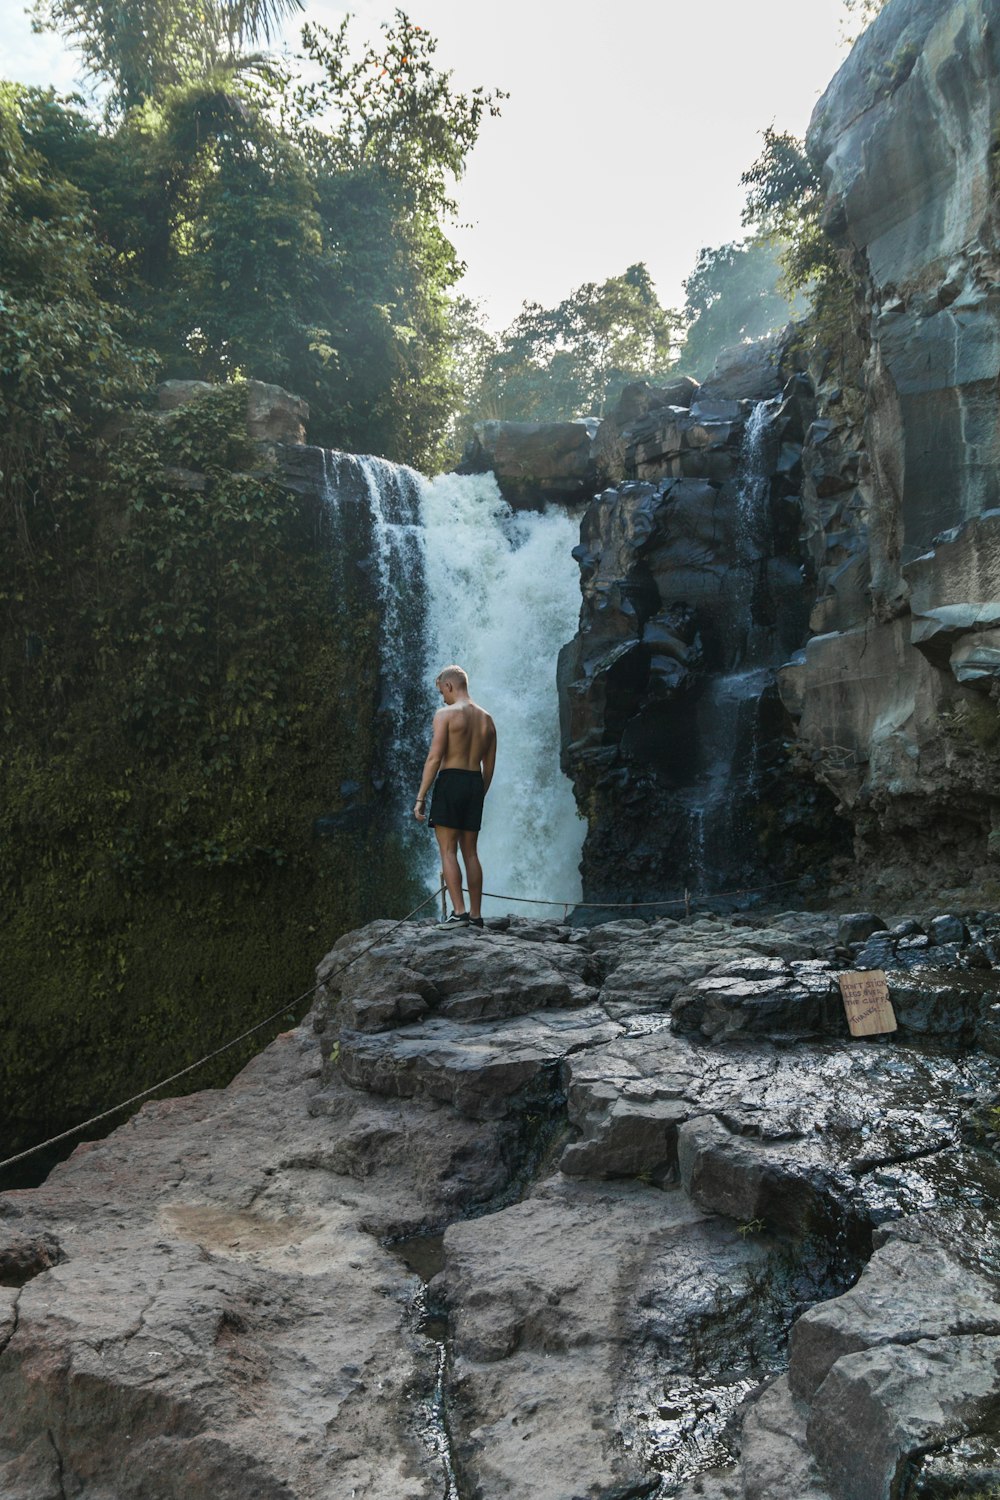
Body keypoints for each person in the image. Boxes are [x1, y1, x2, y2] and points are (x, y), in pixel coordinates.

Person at [413, 665, 496, 928]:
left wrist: (421, 797)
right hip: (474, 782)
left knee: (448, 850)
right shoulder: (487, 719)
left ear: (449, 686)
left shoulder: (446, 714)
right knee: (470, 852)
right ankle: (476, 915)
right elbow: (489, 766)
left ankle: (458, 912)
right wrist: (479, 793)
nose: (442, 698)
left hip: (451, 780)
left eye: (442, 692)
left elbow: (435, 757)